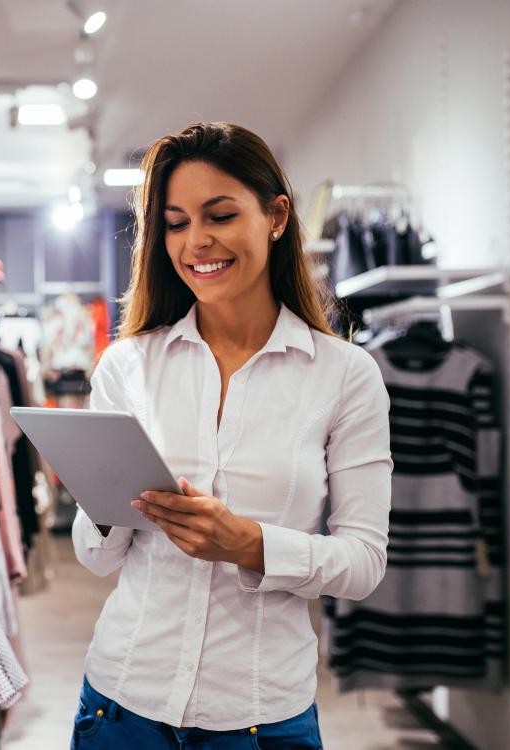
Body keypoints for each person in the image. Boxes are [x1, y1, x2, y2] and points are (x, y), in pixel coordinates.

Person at [70, 122, 392, 749]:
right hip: (121, 703)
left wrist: (251, 544)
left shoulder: (344, 377)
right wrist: (107, 500)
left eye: (219, 215)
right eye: (176, 222)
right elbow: (96, 557)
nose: (197, 242)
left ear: (276, 217)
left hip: (260, 714)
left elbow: (363, 562)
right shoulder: (129, 366)